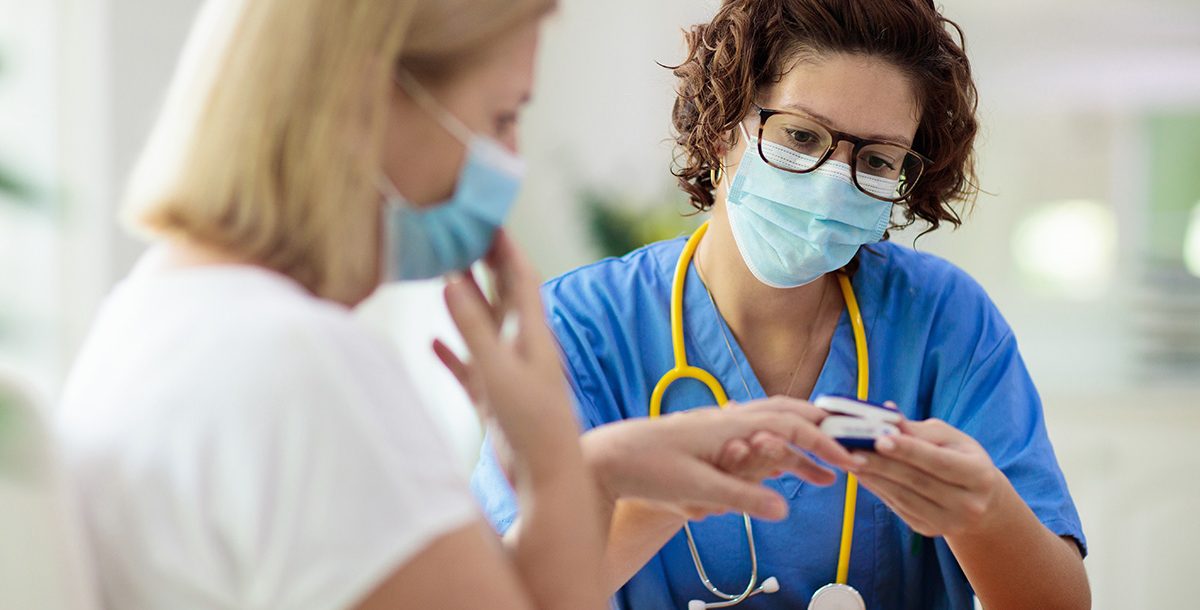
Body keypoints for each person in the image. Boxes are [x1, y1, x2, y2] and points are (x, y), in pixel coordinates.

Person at [54, 0, 863, 609]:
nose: (506, 162)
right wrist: (549, 460)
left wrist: (596, 474)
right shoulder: (301, 365)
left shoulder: (156, 313)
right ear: (365, 95)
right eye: (500, 116)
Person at [472, 1, 1090, 609]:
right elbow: (507, 597)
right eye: (800, 135)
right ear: (721, 129)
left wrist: (983, 512)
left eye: (876, 160)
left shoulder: (943, 321)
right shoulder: (579, 330)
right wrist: (665, 495)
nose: (833, 180)